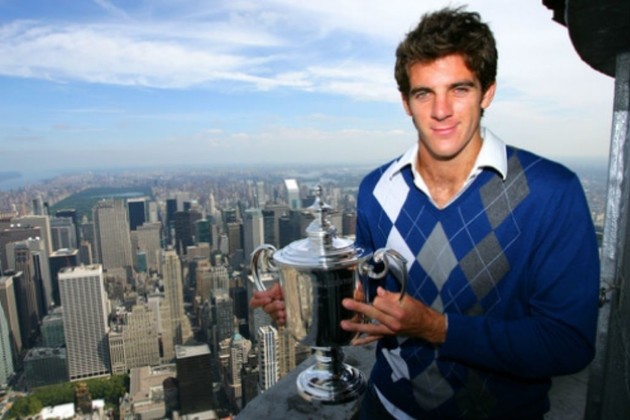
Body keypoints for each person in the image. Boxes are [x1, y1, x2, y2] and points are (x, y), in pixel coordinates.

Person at [251, 6, 600, 419]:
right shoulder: (376, 191)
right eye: (424, 93)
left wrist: (437, 328)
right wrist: (311, 304)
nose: (441, 110)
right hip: (384, 409)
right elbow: (373, 301)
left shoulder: (550, 193)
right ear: (406, 102)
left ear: (487, 93)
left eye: (459, 89)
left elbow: (569, 344)